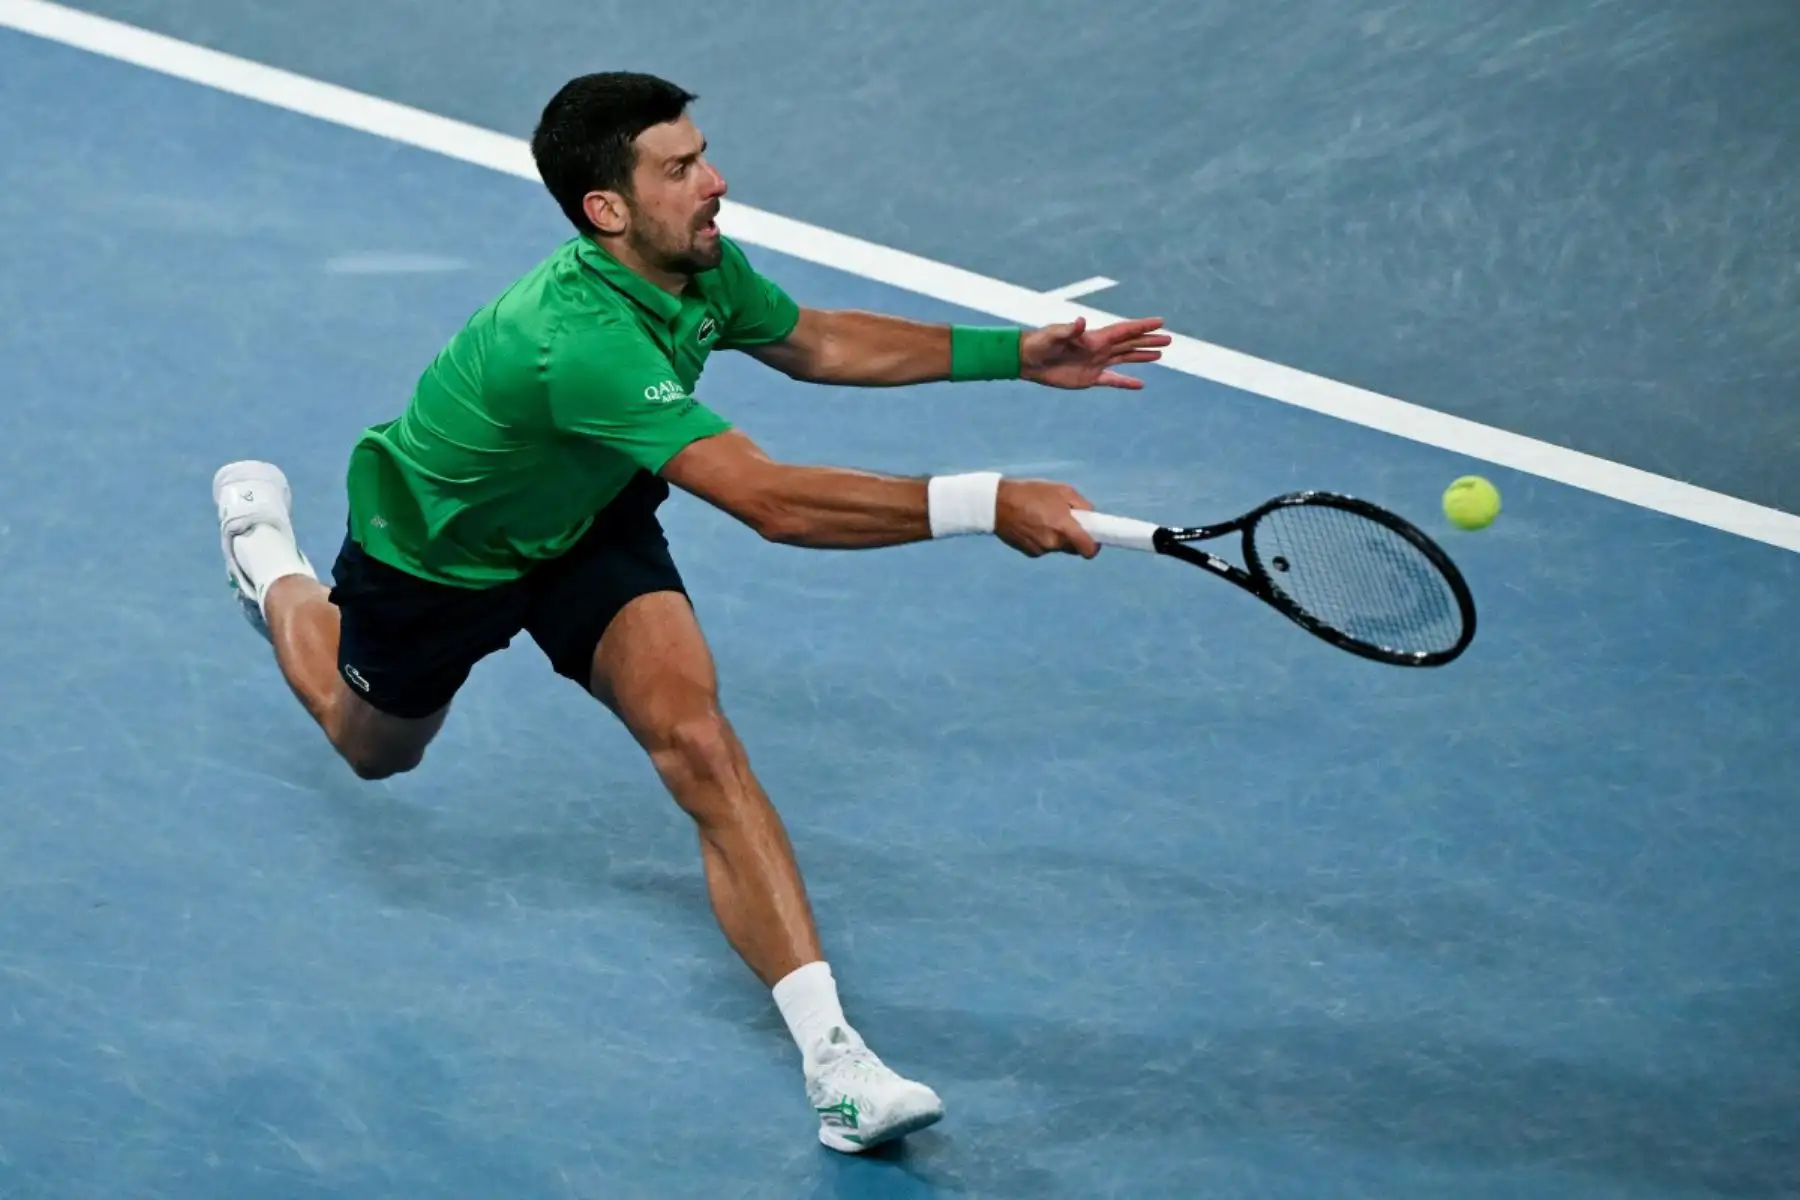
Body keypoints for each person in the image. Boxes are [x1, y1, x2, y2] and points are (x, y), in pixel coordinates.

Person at [210, 71, 1168, 1154]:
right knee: (371, 746)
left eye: (703, 153)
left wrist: (1014, 355)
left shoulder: (691, 263)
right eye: (681, 168)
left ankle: (837, 1065)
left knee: (700, 746)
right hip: (439, 556)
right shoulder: (574, 339)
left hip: (587, 519)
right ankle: (271, 565)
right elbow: (769, 502)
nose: (716, 181)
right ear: (604, 211)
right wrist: (984, 503)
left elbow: (812, 342)